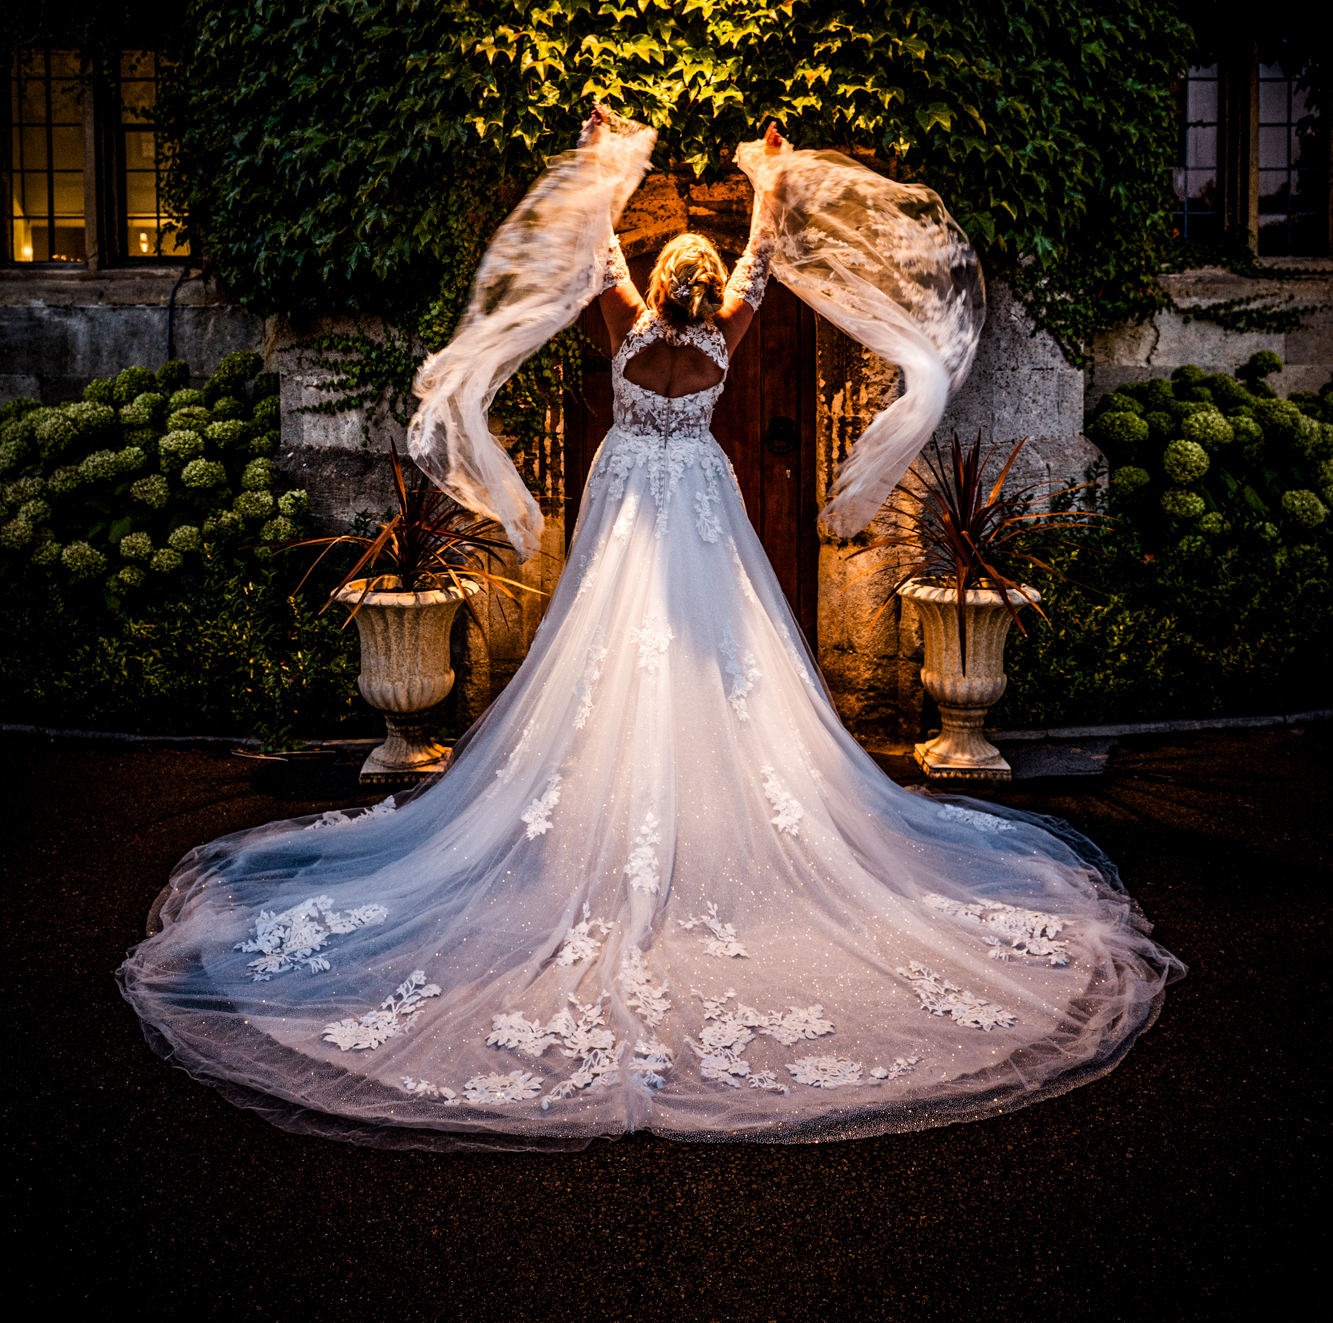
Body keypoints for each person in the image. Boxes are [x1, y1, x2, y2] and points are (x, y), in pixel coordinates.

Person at [118, 113, 1182, 1151]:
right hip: (699, 497)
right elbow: (761, 263)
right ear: (705, 289)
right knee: (725, 648)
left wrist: (599, 167)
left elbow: (590, 254)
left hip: (627, 492)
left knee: (603, 639)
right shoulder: (724, 336)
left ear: (658, 282)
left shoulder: (628, 332)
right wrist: (768, 179)